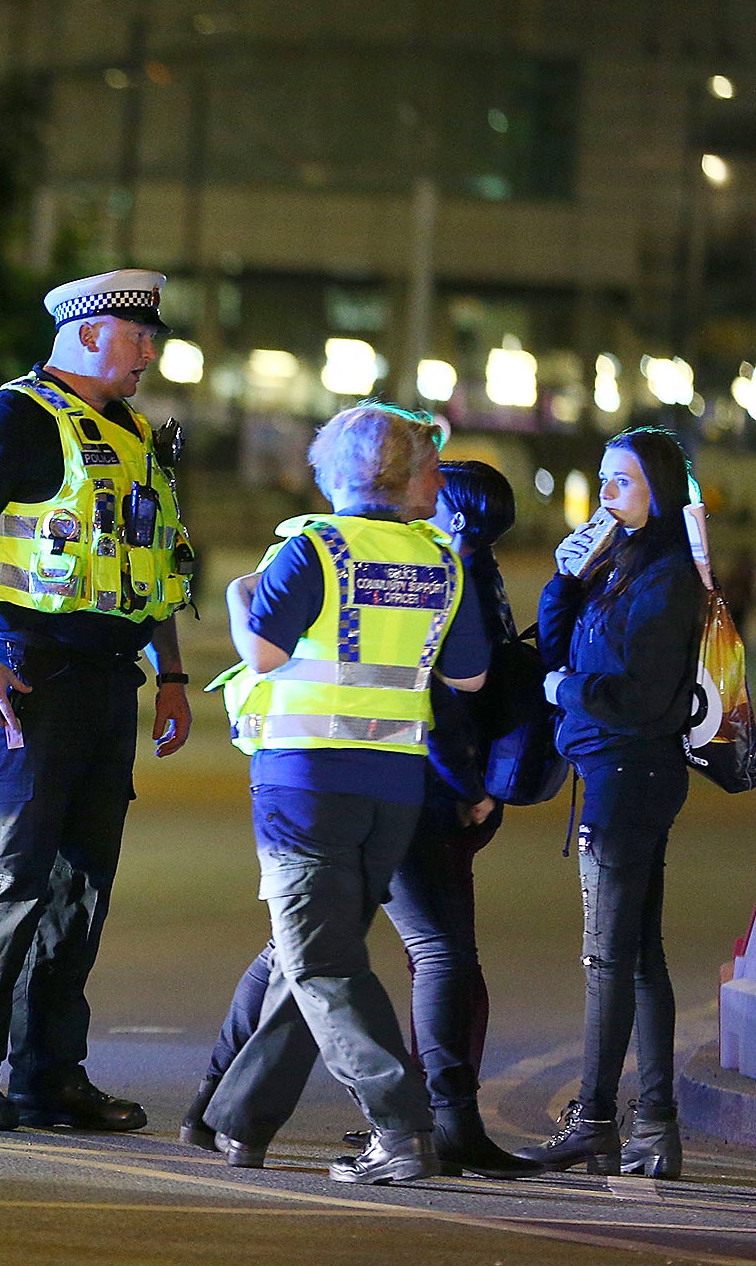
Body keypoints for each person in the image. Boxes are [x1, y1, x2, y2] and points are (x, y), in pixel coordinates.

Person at [183, 460, 537, 1179]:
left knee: (311, 953)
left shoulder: (320, 549)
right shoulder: (448, 568)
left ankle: (402, 1126)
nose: (430, 492)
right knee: (321, 952)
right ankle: (239, 1114)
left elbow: (262, 649)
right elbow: (465, 681)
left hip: (320, 778)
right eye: (424, 477)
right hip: (400, 786)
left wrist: (233, 594)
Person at [0, 269, 196, 1132]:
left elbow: (154, 565)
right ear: (85, 334)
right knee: (10, 877)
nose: (150, 350)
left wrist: (175, 675)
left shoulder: (137, 434)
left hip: (113, 676)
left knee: (83, 885)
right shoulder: (9, 418)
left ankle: (50, 1074)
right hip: (27, 673)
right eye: (137, 334)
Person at [518, 427, 705, 1178]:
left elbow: (639, 694)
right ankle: (654, 1127)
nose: (603, 495)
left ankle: (596, 1120)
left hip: (633, 775)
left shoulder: (667, 575)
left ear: (658, 490)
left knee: (609, 957)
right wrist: (566, 579)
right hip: (614, 770)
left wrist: (567, 694)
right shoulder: (619, 564)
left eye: (620, 481)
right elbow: (554, 649)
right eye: (601, 479)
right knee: (634, 958)